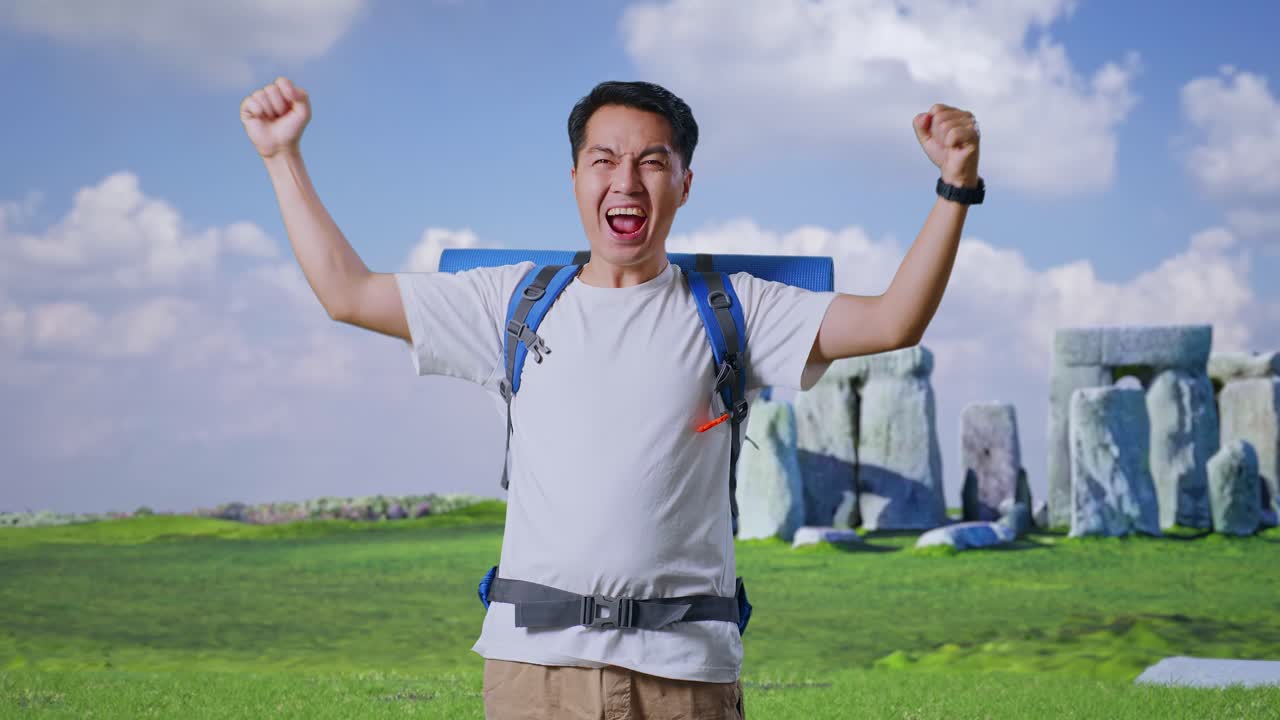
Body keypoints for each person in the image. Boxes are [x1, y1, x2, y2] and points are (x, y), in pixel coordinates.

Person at [240, 75, 981, 719]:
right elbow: (346, 292)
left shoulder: (733, 308)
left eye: (651, 161)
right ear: (575, 179)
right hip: (536, 675)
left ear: (683, 185)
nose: (626, 181)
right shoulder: (512, 302)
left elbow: (893, 320)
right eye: (605, 160)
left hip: (687, 678)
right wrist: (281, 157)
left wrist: (954, 187)